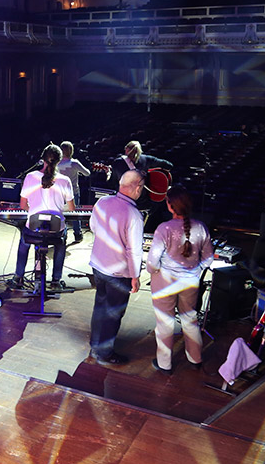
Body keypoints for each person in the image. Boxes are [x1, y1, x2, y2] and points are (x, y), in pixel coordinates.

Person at [146, 186, 214, 374]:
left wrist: (154, 272)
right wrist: (196, 270)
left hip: (165, 282)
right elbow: (209, 258)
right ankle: (195, 358)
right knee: (190, 319)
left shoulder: (164, 228)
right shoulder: (201, 227)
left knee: (165, 322)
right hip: (191, 282)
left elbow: (152, 261)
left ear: (170, 205)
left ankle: (165, 364)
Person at [87, 169, 145, 364]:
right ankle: (104, 353)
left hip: (98, 265)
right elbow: (134, 250)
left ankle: (95, 343)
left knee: (100, 307)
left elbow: (93, 227)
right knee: (113, 314)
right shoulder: (134, 214)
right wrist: (135, 276)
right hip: (118, 273)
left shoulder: (102, 202)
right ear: (137, 187)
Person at [12, 143, 75, 292]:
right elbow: (71, 208)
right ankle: (55, 281)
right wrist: (58, 210)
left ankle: (18, 277)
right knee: (61, 244)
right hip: (55, 230)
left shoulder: (30, 177)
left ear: (43, 159)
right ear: (59, 161)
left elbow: (22, 205)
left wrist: (34, 209)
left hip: (34, 228)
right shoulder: (65, 180)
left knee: (23, 243)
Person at [109, 140, 173, 230]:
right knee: (158, 204)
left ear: (126, 149)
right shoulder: (146, 159)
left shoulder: (117, 162)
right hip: (143, 203)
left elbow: (113, 183)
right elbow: (169, 165)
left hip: (124, 203)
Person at [57, 141, 91, 242]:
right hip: (73, 192)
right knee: (74, 213)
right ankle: (77, 234)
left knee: (61, 214)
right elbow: (87, 173)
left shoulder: (57, 163)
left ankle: (63, 234)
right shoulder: (74, 163)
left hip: (60, 192)